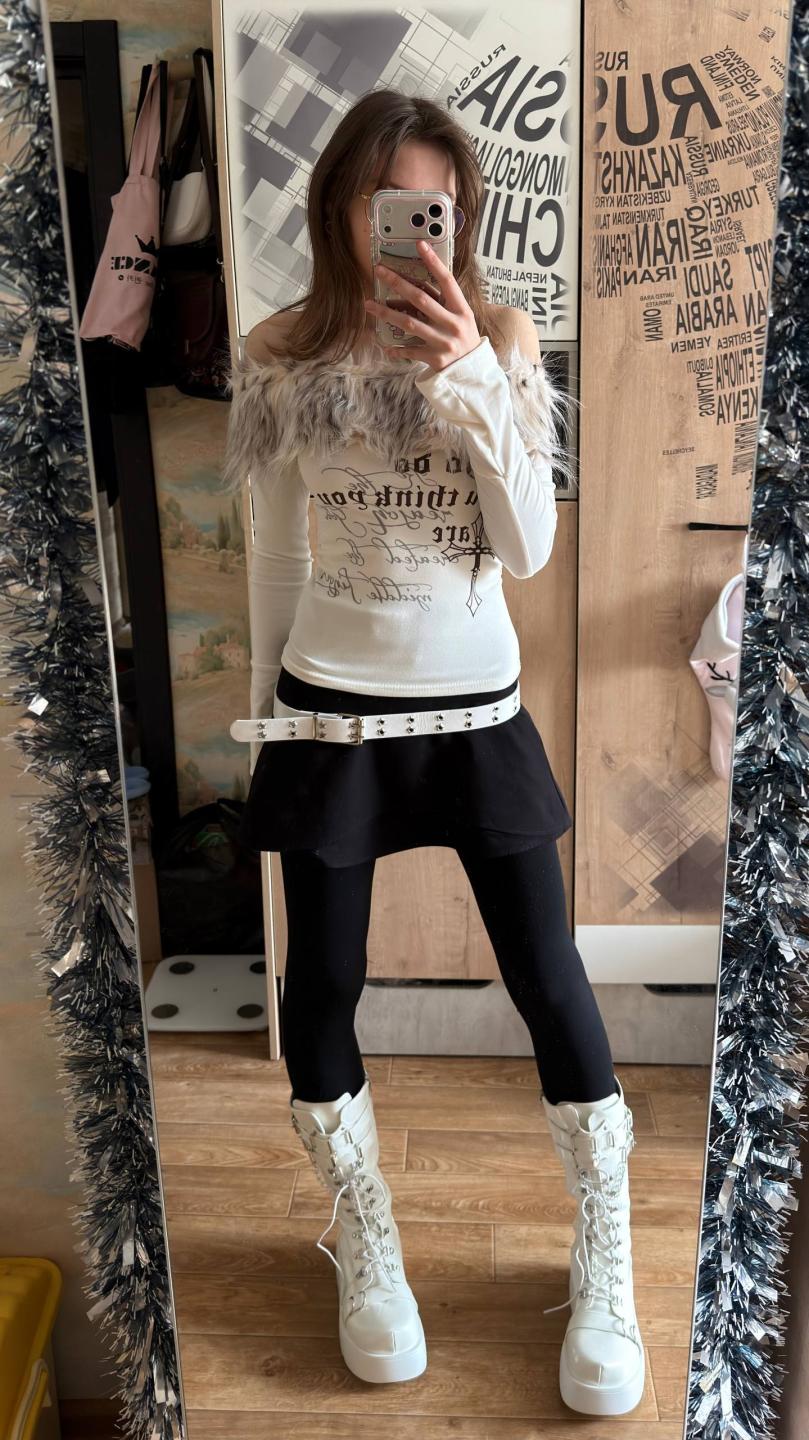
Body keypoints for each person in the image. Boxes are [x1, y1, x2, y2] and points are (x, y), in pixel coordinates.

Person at [223, 89, 644, 1417]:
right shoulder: (279, 352)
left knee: (547, 977)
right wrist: (269, 727)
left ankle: (605, 1254)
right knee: (325, 980)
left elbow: (526, 547)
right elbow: (277, 556)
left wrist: (468, 378)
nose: (409, 230)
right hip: (330, 710)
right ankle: (366, 1235)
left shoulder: (500, 336)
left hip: (475, 712)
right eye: (385, 203)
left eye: (435, 210)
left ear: (458, 219)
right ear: (340, 207)